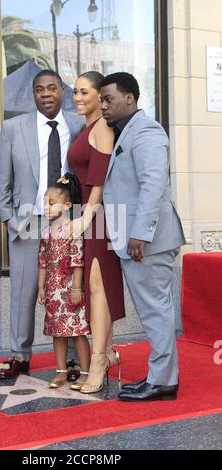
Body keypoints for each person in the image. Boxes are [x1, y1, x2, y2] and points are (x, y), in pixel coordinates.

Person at [100, 72, 186, 402]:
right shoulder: (125, 132)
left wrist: (139, 233)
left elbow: (154, 185)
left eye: (109, 98)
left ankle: (163, 382)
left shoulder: (146, 130)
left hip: (146, 240)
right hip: (138, 239)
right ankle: (159, 376)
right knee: (153, 310)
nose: (103, 105)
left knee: (155, 310)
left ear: (130, 98)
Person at [0, 70, 85, 380]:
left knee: (71, 290)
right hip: (27, 221)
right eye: (38, 90)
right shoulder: (12, 127)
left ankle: (73, 359)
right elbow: (3, 179)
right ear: (33, 95)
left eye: (51, 88)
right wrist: (8, 217)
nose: (45, 94)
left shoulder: (78, 125)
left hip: (66, 222)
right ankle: (19, 355)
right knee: (22, 291)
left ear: (62, 91)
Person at [67, 71, 125, 394]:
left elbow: (100, 179)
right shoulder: (86, 127)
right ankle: (109, 351)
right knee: (94, 287)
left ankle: (100, 359)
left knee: (97, 286)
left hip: (99, 215)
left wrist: (85, 219)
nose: (77, 97)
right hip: (88, 215)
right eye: (74, 92)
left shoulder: (102, 126)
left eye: (84, 91)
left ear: (99, 94)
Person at [37, 173, 91, 389]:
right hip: (53, 291)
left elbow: (78, 259)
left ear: (67, 205)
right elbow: (42, 261)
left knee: (77, 332)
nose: (46, 207)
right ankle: (60, 371)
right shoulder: (45, 232)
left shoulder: (72, 229)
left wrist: (77, 288)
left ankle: (86, 372)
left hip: (69, 290)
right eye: (44, 202)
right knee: (57, 332)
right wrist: (41, 287)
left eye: (51, 203)